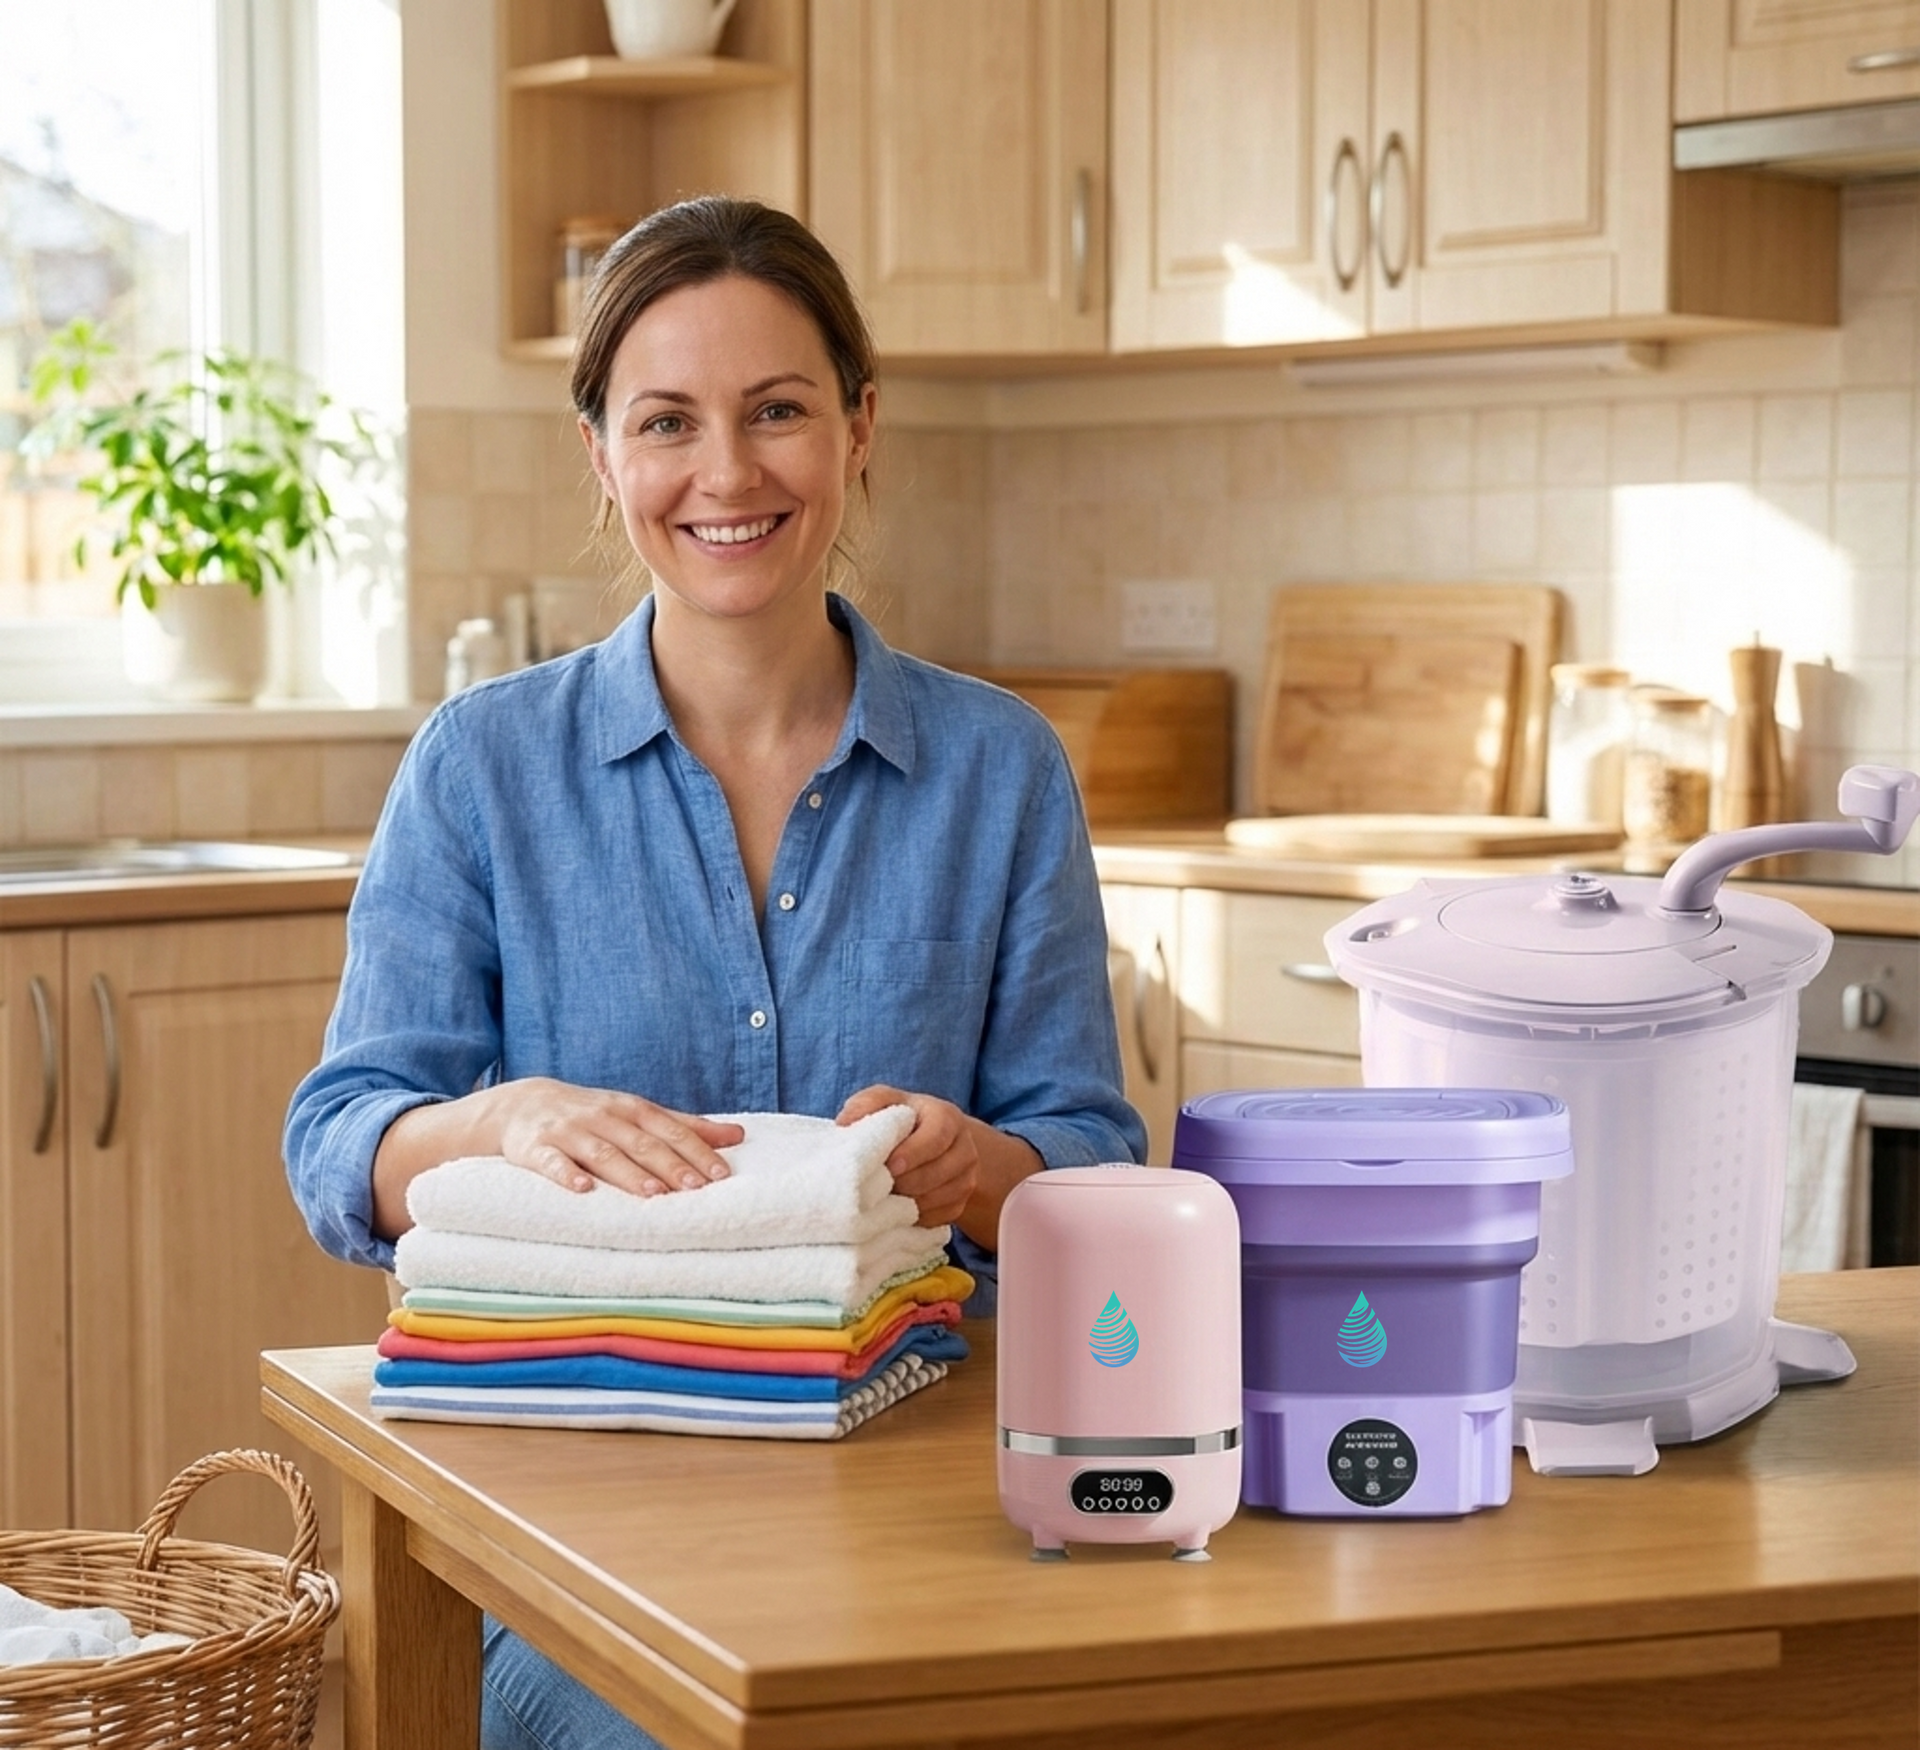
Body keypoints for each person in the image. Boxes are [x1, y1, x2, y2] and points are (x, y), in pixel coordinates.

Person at [283, 195, 1145, 1750]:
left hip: (929, 1493)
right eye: (669, 419)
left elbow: (1094, 1165)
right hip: (565, 1524)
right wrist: (500, 1121)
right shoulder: (483, 768)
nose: (728, 473)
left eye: (779, 412)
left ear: (860, 428)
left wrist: (987, 1168)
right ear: (602, 457)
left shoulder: (1000, 771)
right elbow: (341, 1136)